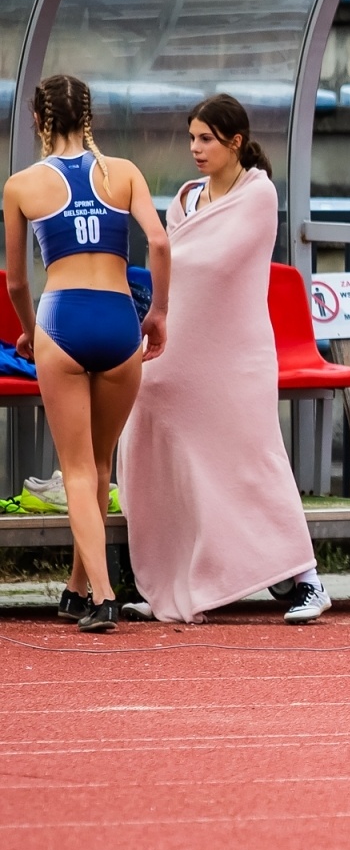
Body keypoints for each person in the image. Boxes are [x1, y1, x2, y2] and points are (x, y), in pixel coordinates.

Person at [118, 95, 330, 624]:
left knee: (254, 461)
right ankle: (175, 583)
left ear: (235, 142)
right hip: (177, 352)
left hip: (235, 356)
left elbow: (208, 262)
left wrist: (163, 256)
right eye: (191, 137)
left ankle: (309, 580)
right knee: (151, 439)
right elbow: (171, 263)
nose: (195, 148)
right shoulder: (186, 198)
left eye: (206, 138)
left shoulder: (259, 193)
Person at [3, 74, 169, 633]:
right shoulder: (122, 172)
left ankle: (102, 594)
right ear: (89, 116)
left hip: (63, 320)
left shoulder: (22, 184)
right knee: (101, 466)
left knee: (75, 469)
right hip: (121, 322)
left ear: (38, 120)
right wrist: (159, 315)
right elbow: (161, 243)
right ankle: (78, 586)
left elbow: (19, 283)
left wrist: (29, 331)